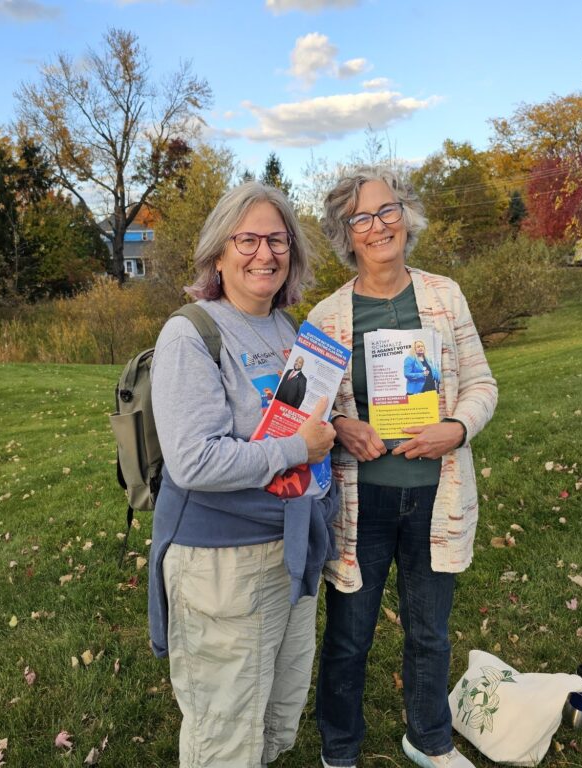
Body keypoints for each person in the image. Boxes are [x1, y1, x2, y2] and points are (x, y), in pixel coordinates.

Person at [307, 167, 498, 768]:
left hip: (434, 500)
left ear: (406, 216)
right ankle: (339, 750)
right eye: (362, 217)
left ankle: (429, 739)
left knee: (429, 634)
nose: (378, 225)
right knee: (348, 637)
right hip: (361, 506)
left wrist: (458, 427)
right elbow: (307, 415)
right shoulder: (327, 316)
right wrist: (340, 427)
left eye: (387, 210)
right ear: (347, 233)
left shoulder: (444, 295)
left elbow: (482, 384)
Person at [148, 181, 339, 768]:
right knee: (224, 733)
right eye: (248, 239)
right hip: (223, 568)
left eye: (277, 240)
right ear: (218, 253)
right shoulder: (192, 333)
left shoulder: (290, 333)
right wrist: (295, 450)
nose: (264, 254)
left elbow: (306, 425)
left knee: (274, 717)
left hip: (290, 552)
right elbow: (194, 460)